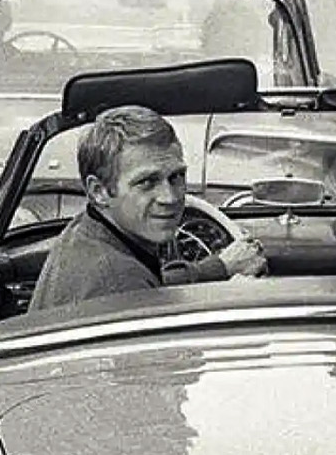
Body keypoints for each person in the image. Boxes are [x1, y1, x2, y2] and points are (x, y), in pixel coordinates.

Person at [28, 106, 268, 313]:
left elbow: (156, 284)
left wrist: (220, 268)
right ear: (99, 191)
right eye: (147, 182)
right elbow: (171, 362)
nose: (170, 197)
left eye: (176, 177)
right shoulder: (117, 281)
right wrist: (235, 299)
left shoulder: (89, 231)